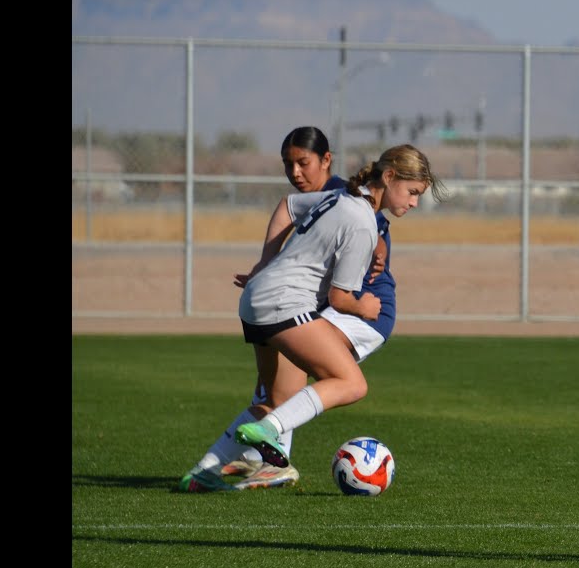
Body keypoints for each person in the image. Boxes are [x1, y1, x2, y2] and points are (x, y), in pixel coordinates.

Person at [178, 142, 443, 492]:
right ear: (389, 176)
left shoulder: (340, 198)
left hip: (255, 299)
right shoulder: (363, 222)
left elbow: (287, 205)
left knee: (280, 398)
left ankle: (205, 471)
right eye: (412, 192)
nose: (413, 202)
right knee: (351, 384)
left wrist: (263, 264)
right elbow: (340, 298)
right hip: (286, 305)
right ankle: (269, 436)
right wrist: (366, 308)